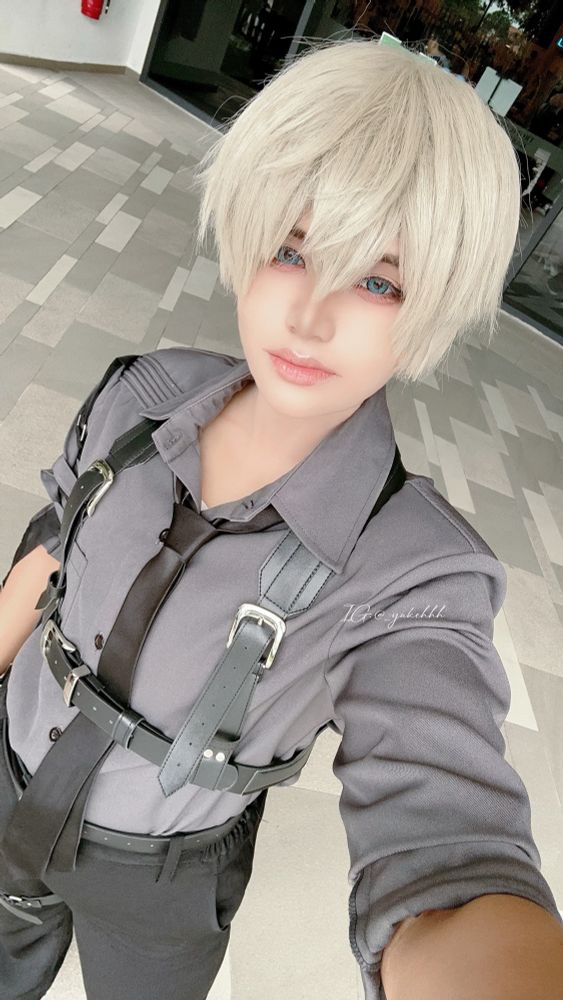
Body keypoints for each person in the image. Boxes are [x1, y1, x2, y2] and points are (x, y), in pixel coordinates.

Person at [0, 35, 562, 1000]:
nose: (309, 316)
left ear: (432, 303)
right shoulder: (142, 395)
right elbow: (55, 542)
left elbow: (447, 851)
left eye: (377, 280)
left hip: (160, 873)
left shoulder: (412, 572)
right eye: (291, 252)